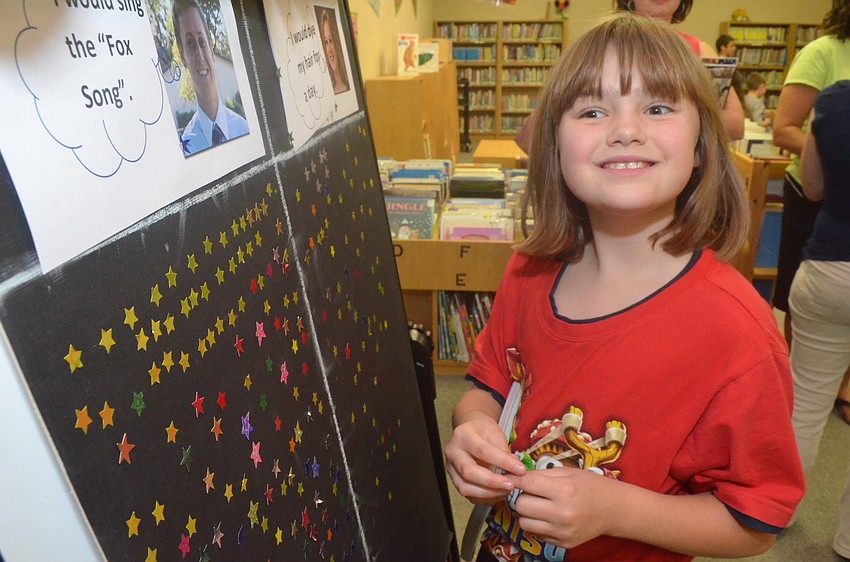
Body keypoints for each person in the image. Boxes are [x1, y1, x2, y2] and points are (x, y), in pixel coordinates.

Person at [445, 13, 804, 562]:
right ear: (554, 146)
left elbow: (753, 522)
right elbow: (488, 387)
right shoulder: (528, 271)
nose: (625, 128)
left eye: (657, 107)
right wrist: (472, 426)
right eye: (592, 110)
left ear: (703, 144)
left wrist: (616, 511)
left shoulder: (737, 333)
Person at [789, 79, 850, 558]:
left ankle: (775, 509)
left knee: (805, 402)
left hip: (827, 267)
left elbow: (811, 186)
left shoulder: (833, 98)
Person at [772, 0, 850, 339]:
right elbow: (784, 128)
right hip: (814, 200)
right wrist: (837, 157)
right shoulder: (823, 52)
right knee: (799, 301)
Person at [173, 0, 249, 156]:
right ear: (182, 56)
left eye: (202, 42)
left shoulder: (244, 129)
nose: (200, 56)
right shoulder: (188, 149)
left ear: (211, 47)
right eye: (190, 44)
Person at [319, 9, 350, 94]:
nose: (329, 49)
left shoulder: (349, 85)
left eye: (331, 40)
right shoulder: (327, 91)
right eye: (326, 42)